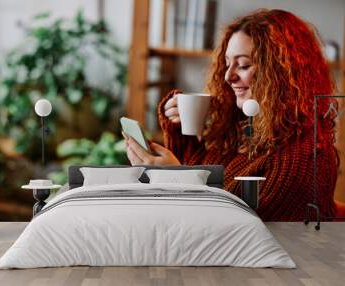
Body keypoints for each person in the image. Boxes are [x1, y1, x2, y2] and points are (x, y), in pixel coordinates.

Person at [124, 9, 339, 221]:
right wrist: (181, 130)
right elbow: (196, 171)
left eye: (243, 65)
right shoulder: (240, 130)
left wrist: (175, 177)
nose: (228, 76)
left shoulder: (303, 158)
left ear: (281, 74)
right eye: (227, 63)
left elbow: (239, 227)